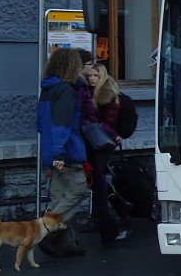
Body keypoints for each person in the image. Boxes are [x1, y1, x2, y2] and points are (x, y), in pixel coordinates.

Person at [36, 47, 89, 258]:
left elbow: (41, 124)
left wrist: (53, 151)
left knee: (59, 198)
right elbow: (62, 123)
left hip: (51, 150)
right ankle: (46, 231)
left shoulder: (48, 89)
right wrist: (60, 151)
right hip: (66, 151)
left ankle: (65, 243)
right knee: (77, 190)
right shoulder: (65, 91)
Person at [81, 62, 128, 245]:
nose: (92, 79)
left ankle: (107, 215)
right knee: (97, 180)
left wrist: (113, 135)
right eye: (89, 76)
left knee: (97, 180)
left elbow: (106, 124)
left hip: (104, 143)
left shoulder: (106, 95)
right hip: (95, 141)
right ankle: (120, 207)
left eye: (96, 76)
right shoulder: (87, 92)